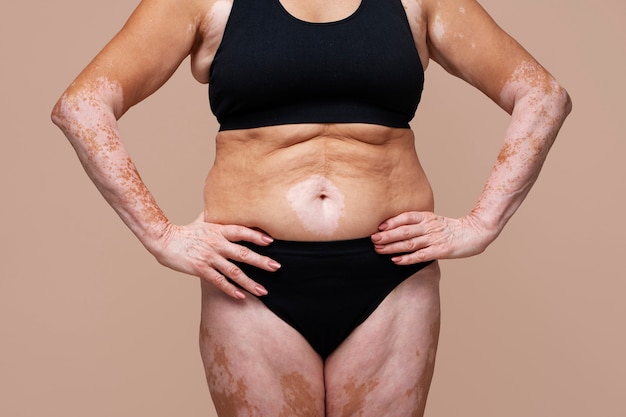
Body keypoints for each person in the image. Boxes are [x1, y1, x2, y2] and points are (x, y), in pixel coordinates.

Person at [51, 0, 571, 415]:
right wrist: (162, 236)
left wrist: (481, 224)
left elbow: (542, 95)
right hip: (252, 283)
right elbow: (82, 105)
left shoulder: (420, 2)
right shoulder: (204, 2)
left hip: (391, 280)